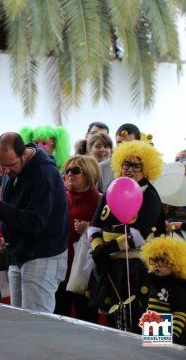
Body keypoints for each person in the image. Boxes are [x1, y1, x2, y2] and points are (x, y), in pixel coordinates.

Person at [0, 132, 68, 313]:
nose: (6, 171)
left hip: (43, 255)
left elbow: (35, 222)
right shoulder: (13, 168)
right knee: (18, 319)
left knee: (36, 324)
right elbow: (12, 208)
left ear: (24, 154)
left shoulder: (44, 175)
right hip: (19, 253)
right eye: (1, 165)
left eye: (10, 165)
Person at [87, 140, 165, 331]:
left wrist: (106, 249)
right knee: (116, 323)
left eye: (136, 165)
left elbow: (138, 234)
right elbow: (95, 226)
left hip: (141, 270)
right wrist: (97, 249)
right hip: (111, 267)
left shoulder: (150, 196)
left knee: (148, 325)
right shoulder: (111, 189)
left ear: (146, 169)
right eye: (126, 164)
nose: (130, 169)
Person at [54, 155, 100, 323]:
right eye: (67, 171)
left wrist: (88, 228)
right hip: (59, 268)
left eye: (76, 170)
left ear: (89, 173)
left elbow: (108, 232)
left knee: (86, 319)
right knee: (59, 317)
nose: (70, 174)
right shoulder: (60, 198)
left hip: (84, 271)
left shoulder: (100, 200)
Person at [140, 235, 186, 346]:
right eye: (155, 260)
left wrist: (173, 335)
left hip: (172, 339)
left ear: (175, 265)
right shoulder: (153, 284)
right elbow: (149, 311)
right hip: (154, 333)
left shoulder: (177, 288)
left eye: (163, 262)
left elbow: (180, 313)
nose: (157, 265)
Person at [97, 123, 140, 193]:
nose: (122, 147)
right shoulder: (101, 167)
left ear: (138, 144)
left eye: (127, 143)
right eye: (119, 143)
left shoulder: (143, 170)